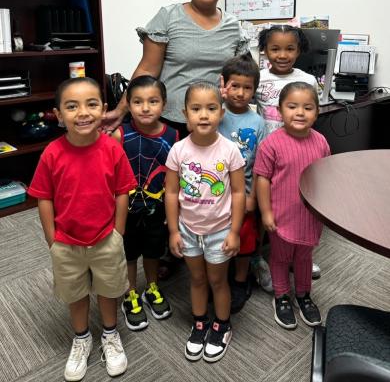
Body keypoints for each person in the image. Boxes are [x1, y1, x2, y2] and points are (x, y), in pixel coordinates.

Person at [27, 77, 137, 382]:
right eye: (72, 106)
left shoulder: (112, 149)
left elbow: (122, 191)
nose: (83, 113)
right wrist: (52, 239)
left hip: (106, 238)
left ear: (103, 109)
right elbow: (44, 197)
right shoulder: (51, 153)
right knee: (74, 292)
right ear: (59, 115)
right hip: (66, 242)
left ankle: (110, 335)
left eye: (91, 104)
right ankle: (81, 337)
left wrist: (118, 233)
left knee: (109, 288)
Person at [102, 0, 249, 137]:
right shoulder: (169, 17)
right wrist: (120, 111)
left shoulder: (233, 26)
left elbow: (239, 75)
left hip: (213, 122)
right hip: (170, 123)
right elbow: (147, 70)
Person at [165, 81, 245, 362]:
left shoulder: (230, 150)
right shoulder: (178, 151)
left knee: (218, 281)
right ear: (185, 113)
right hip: (188, 230)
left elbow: (238, 192)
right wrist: (174, 230)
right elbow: (172, 192)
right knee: (197, 279)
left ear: (221, 113)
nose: (203, 115)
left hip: (219, 230)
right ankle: (199, 322)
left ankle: (222, 325)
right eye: (196, 109)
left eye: (211, 108)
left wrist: (235, 231)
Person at [254, 81, 330, 330]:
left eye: (307, 107)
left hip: (309, 216)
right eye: (292, 106)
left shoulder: (321, 142)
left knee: (304, 257)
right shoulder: (271, 144)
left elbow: (326, 176)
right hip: (281, 215)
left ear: (316, 112)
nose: (300, 112)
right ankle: (282, 296)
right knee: (280, 257)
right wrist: (266, 212)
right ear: (279, 110)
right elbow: (262, 180)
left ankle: (304, 295)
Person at [255, 24, 322, 280]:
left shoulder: (307, 80)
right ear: (265, 50)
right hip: (265, 154)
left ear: (299, 50)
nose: (282, 55)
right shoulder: (259, 78)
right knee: (264, 209)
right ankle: (258, 259)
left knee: (297, 205)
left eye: (289, 49)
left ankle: (300, 255)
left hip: (295, 154)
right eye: (275, 49)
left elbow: (312, 112)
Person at [112, 75, 179, 331]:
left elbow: (175, 177)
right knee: (128, 253)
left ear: (164, 104)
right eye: (138, 102)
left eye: (153, 101)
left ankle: (152, 287)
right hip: (125, 208)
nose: (145, 107)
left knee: (153, 250)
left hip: (157, 207)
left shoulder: (173, 135)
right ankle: (130, 293)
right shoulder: (120, 135)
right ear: (128, 104)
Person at [218, 54, 270, 313]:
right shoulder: (215, 114)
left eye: (247, 87)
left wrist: (252, 197)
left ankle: (240, 280)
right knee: (218, 238)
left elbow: (260, 162)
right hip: (215, 195)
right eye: (234, 86)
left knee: (245, 240)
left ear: (254, 90)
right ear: (223, 85)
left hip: (245, 193)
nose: (240, 92)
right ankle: (218, 280)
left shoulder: (257, 122)